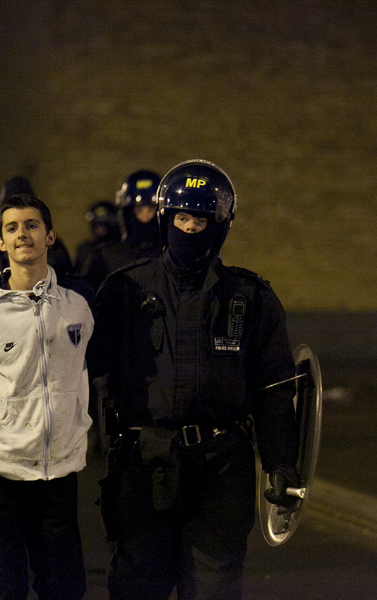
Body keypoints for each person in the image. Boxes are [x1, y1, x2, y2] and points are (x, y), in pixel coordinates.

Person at [88, 159, 299, 600]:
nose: (189, 228)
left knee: (214, 587)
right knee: (136, 584)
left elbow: (274, 388)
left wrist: (281, 463)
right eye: (181, 217)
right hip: (141, 467)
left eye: (200, 219)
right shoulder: (124, 290)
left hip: (221, 469)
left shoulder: (250, 297)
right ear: (166, 219)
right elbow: (82, 368)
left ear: (220, 224)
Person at [0, 193, 94, 600]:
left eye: (31, 225)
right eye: (11, 228)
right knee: (3, 588)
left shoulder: (79, 306)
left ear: (50, 236)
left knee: (64, 588)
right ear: (1, 244)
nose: (22, 234)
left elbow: (92, 367)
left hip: (58, 467)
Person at [81, 170, 162, 291]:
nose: (145, 217)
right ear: (127, 213)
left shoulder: (173, 254)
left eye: (150, 209)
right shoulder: (107, 256)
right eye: (139, 210)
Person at [74, 200, 120, 275]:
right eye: (97, 225)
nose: (100, 229)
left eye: (103, 225)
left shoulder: (119, 250)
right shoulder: (85, 249)